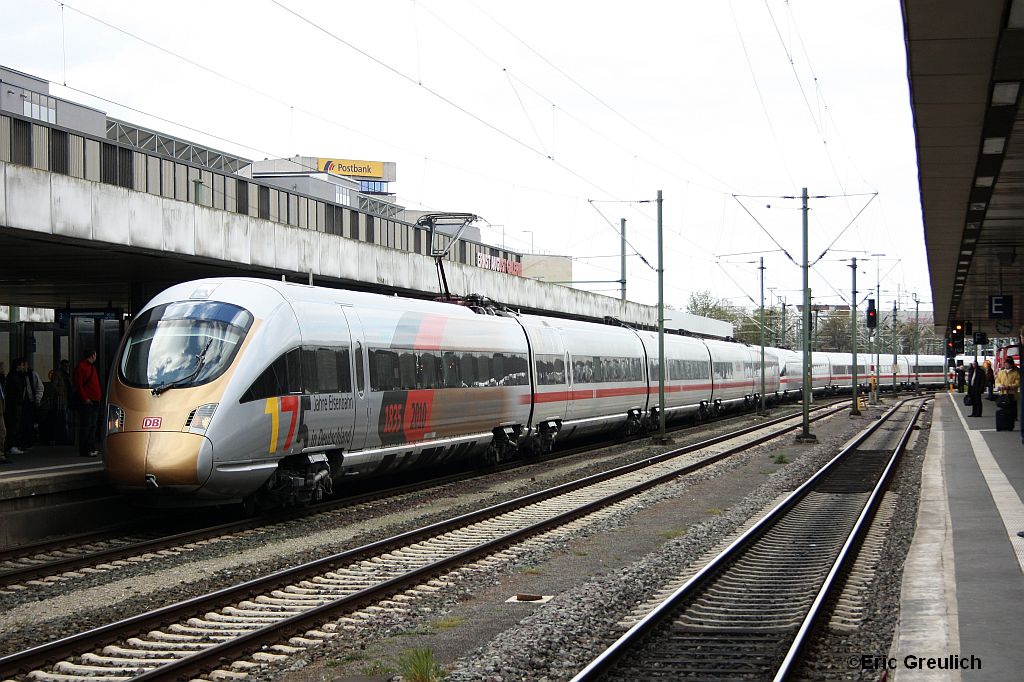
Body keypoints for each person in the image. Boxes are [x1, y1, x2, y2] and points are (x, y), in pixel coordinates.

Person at [72, 349, 102, 458]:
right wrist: (85, 398)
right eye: (95, 355)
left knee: (92, 425)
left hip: (94, 400)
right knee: (87, 425)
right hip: (88, 401)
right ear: (92, 355)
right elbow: (79, 385)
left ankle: (91, 447)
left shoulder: (91, 367)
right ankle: (85, 449)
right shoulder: (82, 367)